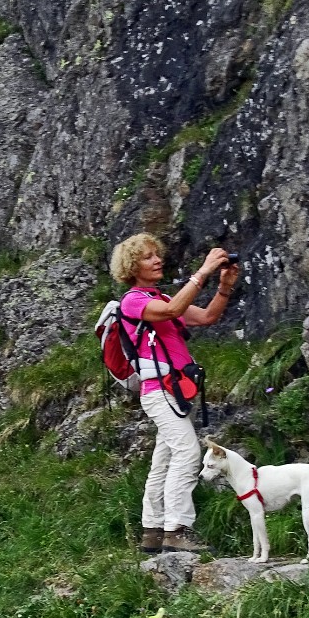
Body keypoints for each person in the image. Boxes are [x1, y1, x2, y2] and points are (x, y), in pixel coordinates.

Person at [108, 234, 240, 553]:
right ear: (131, 266)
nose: (157, 260)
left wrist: (224, 286)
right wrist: (204, 271)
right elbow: (171, 312)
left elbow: (207, 317)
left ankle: (152, 530)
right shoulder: (134, 301)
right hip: (159, 392)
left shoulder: (162, 298)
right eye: (147, 257)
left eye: (157, 255)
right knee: (188, 452)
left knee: (164, 460)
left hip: (175, 390)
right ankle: (178, 528)